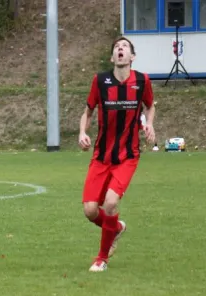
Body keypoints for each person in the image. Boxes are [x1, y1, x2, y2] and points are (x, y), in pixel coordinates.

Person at [78, 37, 156, 272]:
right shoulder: (100, 81)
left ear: (132, 57)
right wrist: (82, 132)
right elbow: (88, 111)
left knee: (111, 203)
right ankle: (117, 228)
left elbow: (150, 105)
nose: (120, 49)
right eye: (116, 47)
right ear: (113, 57)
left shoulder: (142, 81)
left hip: (127, 156)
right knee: (90, 211)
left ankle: (102, 258)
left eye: (125, 47)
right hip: (101, 156)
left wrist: (149, 125)